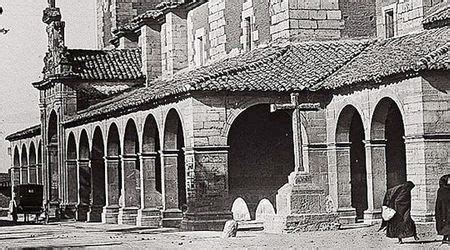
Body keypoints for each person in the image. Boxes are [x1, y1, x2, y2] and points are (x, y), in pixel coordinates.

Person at [435, 174, 450, 244]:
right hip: (444, 210)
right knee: (446, 223)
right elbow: (440, 201)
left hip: (447, 209)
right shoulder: (442, 190)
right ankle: (445, 238)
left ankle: (446, 238)